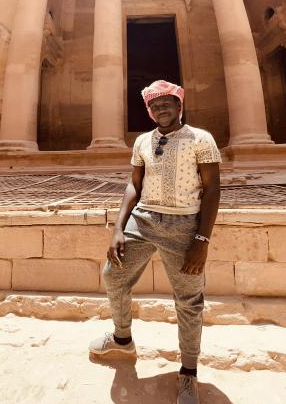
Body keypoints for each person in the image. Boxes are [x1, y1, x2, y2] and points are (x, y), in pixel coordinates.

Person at [89, 79, 221, 404]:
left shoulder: (200, 139)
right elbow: (134, 185)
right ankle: (122, 340)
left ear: (179, 106)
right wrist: (118, 227)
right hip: (143, 219)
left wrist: (202, 239)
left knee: (189, 301)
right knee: (113, 276)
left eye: (167, 103)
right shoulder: (142, 142)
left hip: (183, 225)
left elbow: (213, 189)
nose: (161, 109)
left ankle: (188, 375)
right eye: (154, 105)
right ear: (149, 111)